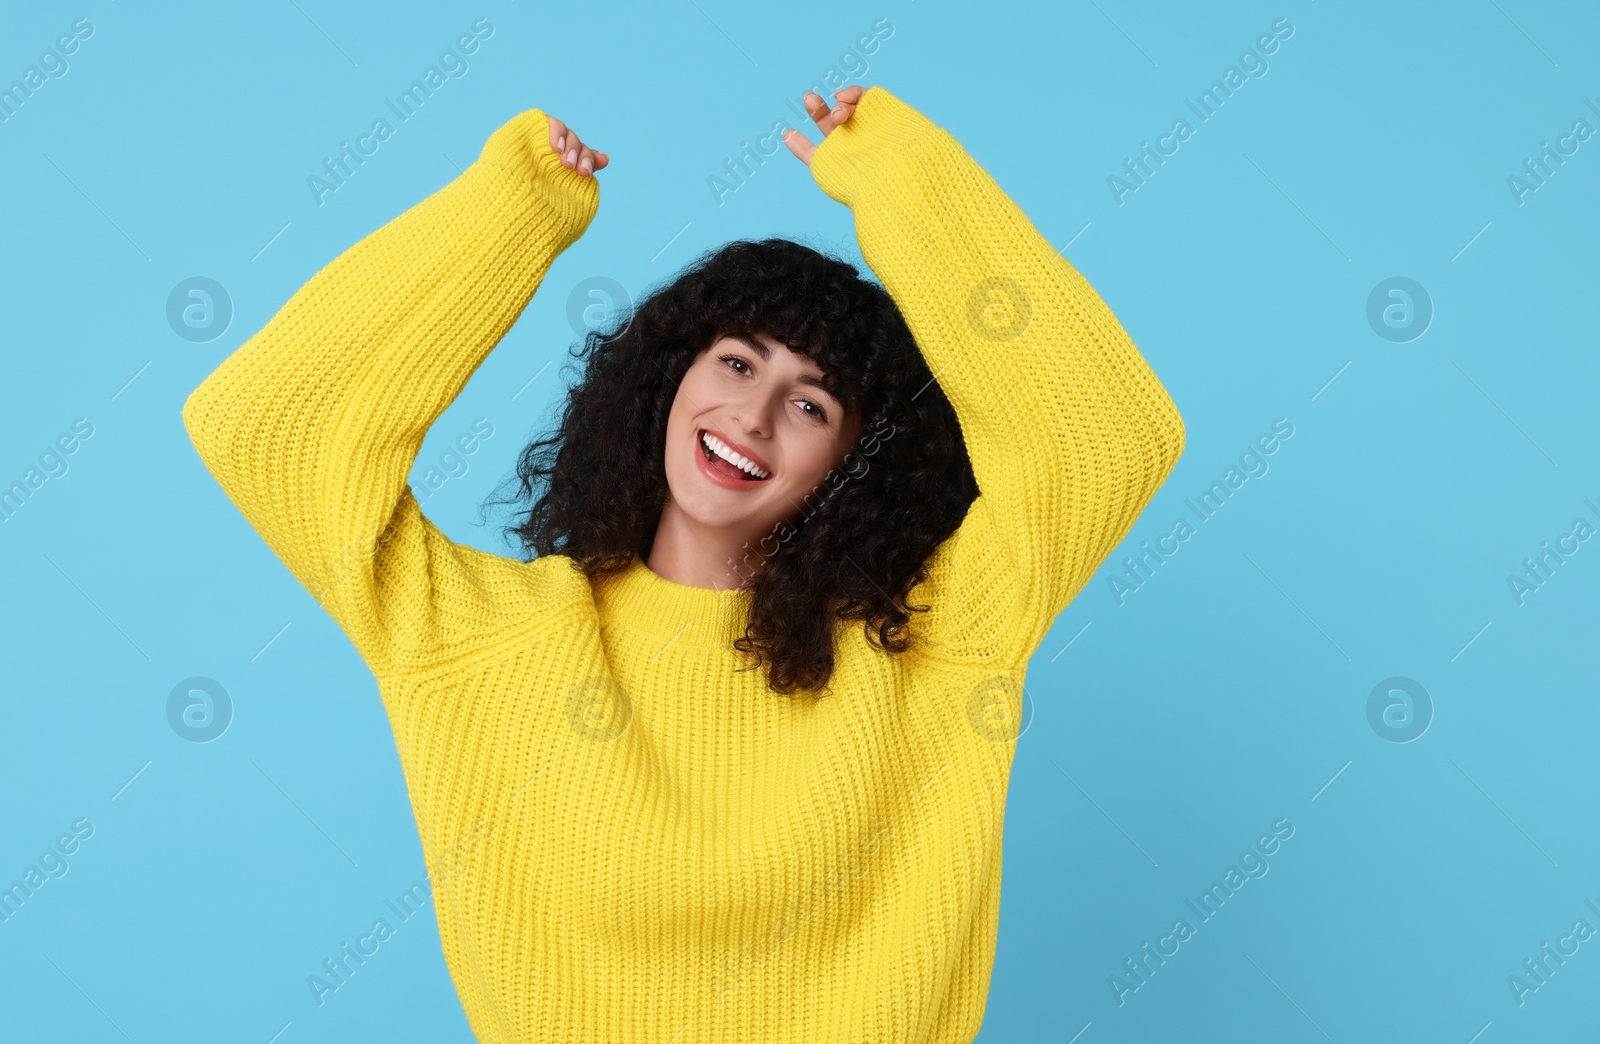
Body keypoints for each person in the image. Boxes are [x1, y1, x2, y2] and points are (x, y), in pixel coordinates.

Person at [182, 83, 1184, 1043]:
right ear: (666, 379)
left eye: (811, 402)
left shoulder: (931, 636)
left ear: (852, 463)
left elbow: (1111, 440)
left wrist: (905, 181)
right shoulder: (483, 636)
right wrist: (511, 214)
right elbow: (266, 429)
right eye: (736, 362)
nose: (750, 414)